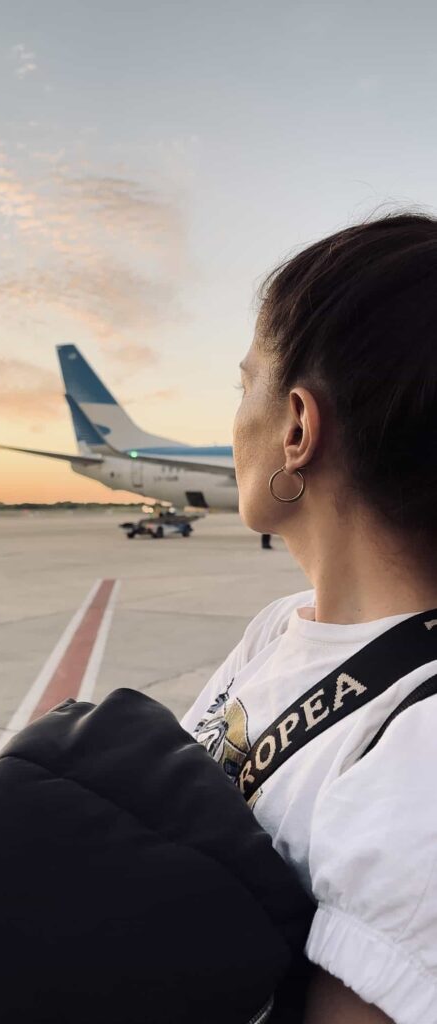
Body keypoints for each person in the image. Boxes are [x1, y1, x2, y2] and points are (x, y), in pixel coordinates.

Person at [181, 212, 437, 1024]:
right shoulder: (280, 624)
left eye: (243, 382)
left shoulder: (423, 754)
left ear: (296, 424)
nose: (234, 422)